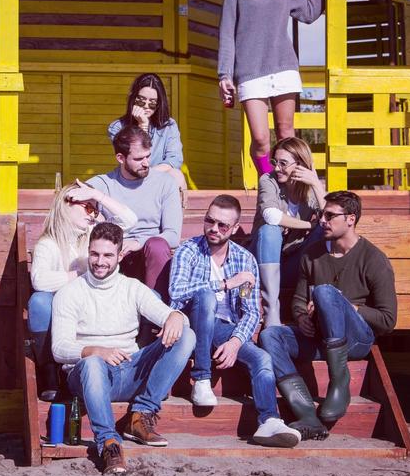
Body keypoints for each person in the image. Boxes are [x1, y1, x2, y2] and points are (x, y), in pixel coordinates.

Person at [50, 221, 195, 476]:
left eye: (108, 255)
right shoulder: (70, 292)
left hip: (129, 369)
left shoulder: (132, 287)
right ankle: (108, 442)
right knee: (93, 363)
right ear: (88, 252)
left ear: (119, 255)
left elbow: (167, 315)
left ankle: (141, 414)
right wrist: (95, 350)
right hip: (87, 374)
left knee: (187, 334)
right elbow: (59, 349)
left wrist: (175, 316)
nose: (100, 261)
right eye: (94, 254)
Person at [260, 190, 397, 439]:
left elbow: (388, 320)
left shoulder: (374, 259)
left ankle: (339, 385)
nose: (322, 220)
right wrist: (302, 317)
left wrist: (348, 307)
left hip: (355, 340)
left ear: (351, 219)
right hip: (320, 336)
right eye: (323, 214)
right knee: (270, 335)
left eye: (330, 215)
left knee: (325, 292)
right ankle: (307, 415)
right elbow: (300, 301)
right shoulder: (312, 254)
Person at [169, 195, 300, 448]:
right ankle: (202, 378)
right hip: (192, 323)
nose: (214, 229)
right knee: (205, 297)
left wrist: (236, 342)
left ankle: (269, 421)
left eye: (223, 226)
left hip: (225, 330)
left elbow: (252, 312)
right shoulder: (189, 250)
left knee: (262, 359)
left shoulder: (244, 260)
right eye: (210, 221)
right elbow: (176, 292)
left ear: (235, 227)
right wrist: (225, 283)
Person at [216, 0, 324, 178]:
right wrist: (224, 75)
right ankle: (269, 184)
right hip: (250, 72)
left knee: (287, 134)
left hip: (283, 67)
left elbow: (308, 13)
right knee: (262, 140)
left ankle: (295, 187)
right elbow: (227, 34)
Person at [27, 179, 138, 396]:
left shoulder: (91, 233)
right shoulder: (48, 243)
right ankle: (49, 371)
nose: (92, 214)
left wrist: (98, 196)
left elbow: (130, 220)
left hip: (92, 304)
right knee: (40, 302)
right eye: (87, 207)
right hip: (63, 310)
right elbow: (39, 281)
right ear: (67, 204)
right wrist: (78, 273)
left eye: (95, 210)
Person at [85, 124, 182, 294]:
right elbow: (69, 195)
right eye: (138, 159)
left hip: (148, 254)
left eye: (148, 156)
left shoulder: (165, 183)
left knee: (157, 246)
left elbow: (173, 236)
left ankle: (154, 310)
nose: (146, 163)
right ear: (121, 158)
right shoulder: (104, 183)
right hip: (114, 255)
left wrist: (138, 242)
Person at [252, 136, 326, 329]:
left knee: (323, 231)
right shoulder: (268, 180)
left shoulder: (310, 190)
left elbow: (331, 221)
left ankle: (316, 305)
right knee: (270, 231)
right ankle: (271, 310)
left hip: (293, 263)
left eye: (283, 163)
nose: (277, 168)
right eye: (275, 162)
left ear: (300, 164)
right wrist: (309, 225)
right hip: (263, 264)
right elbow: (271, 216)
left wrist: (317, 185)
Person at [106, 73, 186, 194]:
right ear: (133, 99)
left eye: (152, 102)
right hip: (131, 180)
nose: (147, 106)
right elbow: (134, 162)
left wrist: (149, 174)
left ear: (159, 104)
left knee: (176, 175)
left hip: (159, 180)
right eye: (141, 101)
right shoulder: (117, 127)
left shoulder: (169, 126)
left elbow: (174, 160)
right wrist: (142, 125)